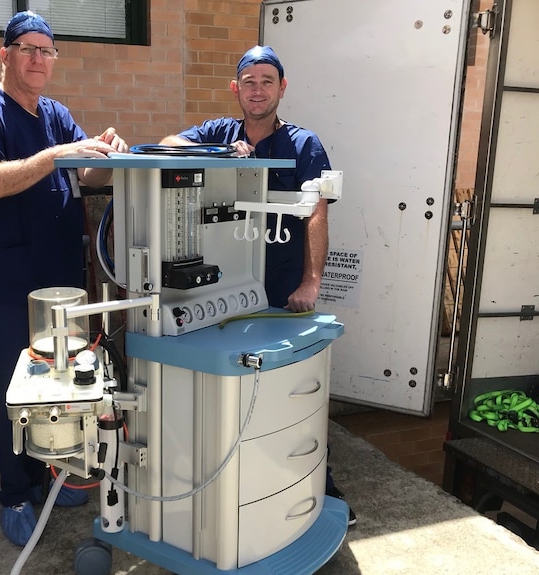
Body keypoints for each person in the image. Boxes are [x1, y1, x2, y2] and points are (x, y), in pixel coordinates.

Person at [0, 10, 129, 546]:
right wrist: (55, 154)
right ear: (4, 55)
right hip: (10, 276)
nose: (37, 58)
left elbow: (87, 174)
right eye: (26, 48)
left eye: (46, 50)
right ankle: (15, 490)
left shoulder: (55, 112)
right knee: (13, 387)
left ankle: (53, 473)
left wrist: (107, 155)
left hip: (59, 275)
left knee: (59, 379)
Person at [159, 45, 356, 526]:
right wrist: (216, 152)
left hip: (282, 286)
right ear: (236, 88)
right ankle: (245, 487)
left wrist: (311, 282)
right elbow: (166, 144)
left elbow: (317, 214)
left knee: (289, 390)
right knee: (236, 390)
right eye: (249, 80)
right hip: (228, 287)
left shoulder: (304, 146)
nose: (258, 89)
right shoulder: (218, 133)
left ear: (282, 88)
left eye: (267, 80)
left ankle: (318, 483)